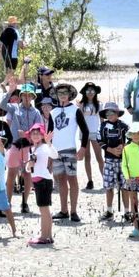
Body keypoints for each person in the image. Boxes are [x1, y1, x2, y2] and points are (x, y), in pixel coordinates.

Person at [1, 71, 43, 215]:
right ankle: (7, 202)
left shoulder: (36, 112)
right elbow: (2, 104)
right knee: (11, 174)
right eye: (23, 95)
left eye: (29, 95)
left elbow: (39, 131)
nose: (26, 97)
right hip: (15, 145)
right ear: (20, 96)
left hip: (28, 147)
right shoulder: (14, 108)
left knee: (27, 175)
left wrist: (26, 135)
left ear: (32, 97)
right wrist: (10, 91)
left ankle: (25, 203)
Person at [48, 83, 90, 222]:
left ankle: (73, 211)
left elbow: (85, 130)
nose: (63, 95)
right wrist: (48, 152)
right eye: (60, 93)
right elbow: (49, 134)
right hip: (55, 151)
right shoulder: (52, 112)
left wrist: (83, 148)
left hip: (70, 149)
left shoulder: (75, 110)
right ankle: (63, 210)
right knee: (60, 180)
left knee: (72, 179)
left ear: (70, 94)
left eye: (65, 92)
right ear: (57, 95)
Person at [24, 123, 59, 245]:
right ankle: (48, 236)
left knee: (44, 210)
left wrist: (49, 143)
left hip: (43, 181)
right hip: (38, 180)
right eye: (33, 133)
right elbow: (29, 168)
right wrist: (29, 166)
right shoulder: (32, 149)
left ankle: (44, 237)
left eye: (38, 133)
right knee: (45, 210)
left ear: (42, 135)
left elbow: (55, 155)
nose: (35, 135)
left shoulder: (44, 147)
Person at [98, 102, 129, 220]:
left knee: (125, 186)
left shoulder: (124, 126)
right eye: (107, 113)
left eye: (112, 112)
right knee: (108, 186)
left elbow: (132, 138)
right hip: (109, 160)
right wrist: (111, 150)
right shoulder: (102, 126)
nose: (110, 115)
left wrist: (123, 147)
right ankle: (109, 211)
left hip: (123, 161)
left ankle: (127, 212)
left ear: (117, 113)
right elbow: (99, 140)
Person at [78, 82, 104, 190]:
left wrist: (103, 132)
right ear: (84, 92)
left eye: (92, 90)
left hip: (95, 132)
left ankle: (105, 179)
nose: (90, 92)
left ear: (95, 92)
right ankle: (89, 180)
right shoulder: (80, 105)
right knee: (87, 157)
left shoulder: (99, 104)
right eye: (88, 90)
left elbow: (102, 120)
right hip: (84, 133)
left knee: (99, 156)